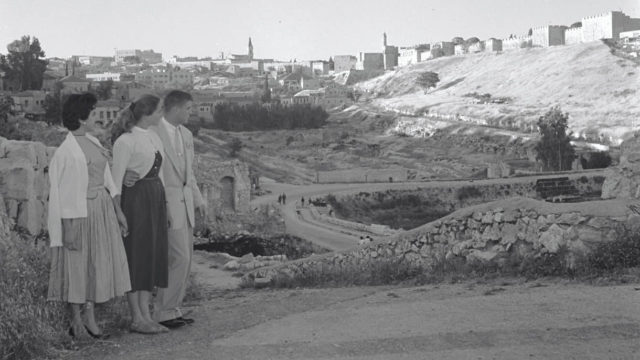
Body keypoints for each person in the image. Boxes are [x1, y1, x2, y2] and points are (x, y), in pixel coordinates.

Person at [48, 93, 131, 340]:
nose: (98, 117)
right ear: (82, 118)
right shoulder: (67, 152)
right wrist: (68, 226)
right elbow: (63, 192)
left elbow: (108, 181)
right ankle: (75, 321)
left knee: (95, 264)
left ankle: (91, 317)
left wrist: (118, 211)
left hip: (101, 210)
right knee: (77, 265)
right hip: (80, 214)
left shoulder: (93, 143)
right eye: (94, 113)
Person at [111, 94, 169, 334]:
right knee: (136, 256)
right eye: (160, 109)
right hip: (135, 202)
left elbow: (160, 174)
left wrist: (165, 206)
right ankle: (136, 316)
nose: (162, 112)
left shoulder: (154, 136)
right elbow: (114, 182)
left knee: (151, 256)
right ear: (148, 113)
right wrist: (119, 213)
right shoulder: (125, 141)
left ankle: (146, 314)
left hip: (154, 199)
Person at [147, 90, 205, 328]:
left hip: (186, 204)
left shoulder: (187, 135)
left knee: (187, 258)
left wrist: (199, 200)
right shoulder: (152, 134)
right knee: (177, 257)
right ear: (176, 108)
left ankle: (173, 308)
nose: (192, 113)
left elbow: (188, 173)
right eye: (189, 108)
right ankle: (162, 311)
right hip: (167, 205)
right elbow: (153, 175)